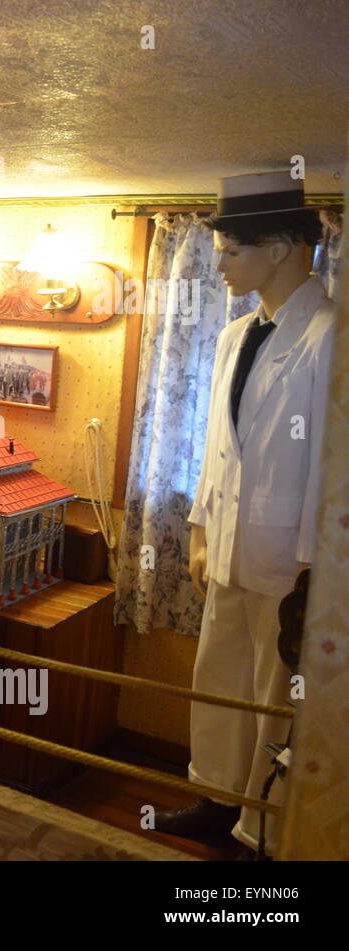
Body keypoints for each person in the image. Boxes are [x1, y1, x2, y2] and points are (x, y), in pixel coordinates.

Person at [158, 171, 335, 859]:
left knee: (277, 695)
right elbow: (217, 445)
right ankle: (217, 797)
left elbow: (330, 466)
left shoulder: (330, 335)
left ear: (285, 246)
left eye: (233, 249)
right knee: (222, 675)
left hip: (289, 561)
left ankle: (262, 827)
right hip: (229, 543)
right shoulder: (235, 335)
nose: (222, 262)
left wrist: (314, 569)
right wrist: (201, 531)